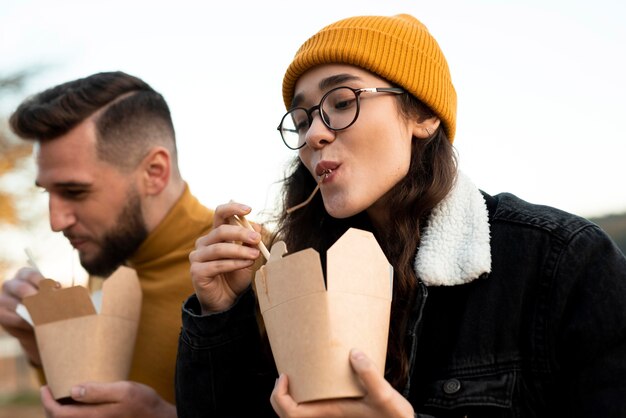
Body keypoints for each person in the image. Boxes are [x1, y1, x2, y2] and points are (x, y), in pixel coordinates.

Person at [175, 13, 626, 418]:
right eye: (300, 119)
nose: (314, 133)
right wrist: (221, 314)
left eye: (342, 101)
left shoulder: (562, 261)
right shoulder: (296, 273)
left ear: (424, 115)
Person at [0, 71, 214, 418]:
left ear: (154, 172)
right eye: (47, 192)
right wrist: (35, 340)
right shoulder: (108, 262)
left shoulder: (252, 267)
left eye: (75, 192)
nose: (56, 221)